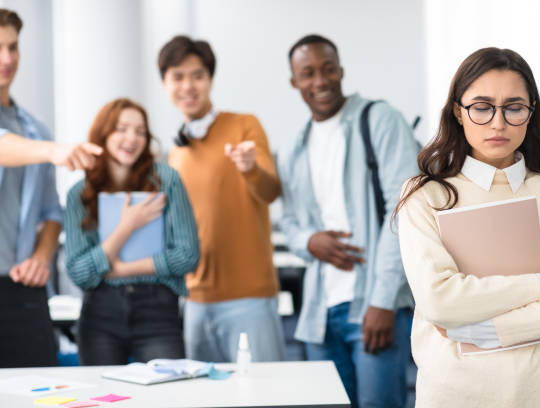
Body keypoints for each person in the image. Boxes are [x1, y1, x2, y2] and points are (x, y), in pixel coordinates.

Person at [396, 47, 540, 407]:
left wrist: (491, 331)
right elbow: (440, 301)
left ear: (530, 113)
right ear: (458, 113)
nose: (498, 123)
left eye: (514, 107)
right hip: (456, 395)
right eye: (481, 107)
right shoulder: (425, 197)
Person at [276, 34, 420, 408]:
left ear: (341, 71)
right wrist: (309, 241)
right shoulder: (295, 146)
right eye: (307, 73)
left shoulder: (380, 120)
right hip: (319, 314)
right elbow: (289, 222)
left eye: (328, 70)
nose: (319, 81)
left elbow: (405, 208)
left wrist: (384, 300)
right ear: (294, 82)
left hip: (374, 305)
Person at [158, 35, 285, 362]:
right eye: (178, 77)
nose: (188, 85)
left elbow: (270, 191)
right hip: (195, 300)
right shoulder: (176, 152)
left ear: (210, 79)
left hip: (249, 296)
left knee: (263, 394)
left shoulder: (244, 126)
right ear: (165, 84)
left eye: (197, 75)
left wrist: (249, 167)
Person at [0, 8, 100, 368]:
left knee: (39, 390)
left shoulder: (36, 129)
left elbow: (50, 212)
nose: (7, 58)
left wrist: (42, 257)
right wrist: (54, 152)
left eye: (13, 47)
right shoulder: (40, 144)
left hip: (21, 291)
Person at [64, 98, 199, 365]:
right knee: (102, 400)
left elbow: (187, 255)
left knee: (167, 399)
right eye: (122, 129)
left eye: (140, 131)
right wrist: (128, 226)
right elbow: (79, 273)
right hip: (100, 314)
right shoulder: (79, 194)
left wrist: (119, 270)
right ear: (103, 134)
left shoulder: (166, 180)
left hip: (158, 311)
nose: (132, 138)